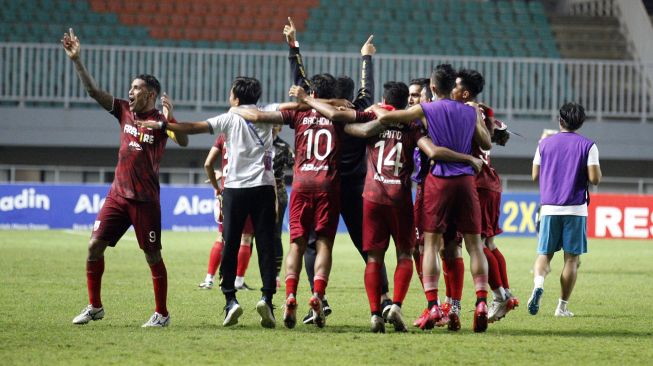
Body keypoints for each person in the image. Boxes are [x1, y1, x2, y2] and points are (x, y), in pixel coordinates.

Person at [293, 81, 481, 333]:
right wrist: (467, 157)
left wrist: (317, 104)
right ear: (407, 103)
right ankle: (397, 305)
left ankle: (374, 314)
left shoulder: (374, 119)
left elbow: (348, 126)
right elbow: (432, 150)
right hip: (399, 198)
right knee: (405, 253)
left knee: (373, 257)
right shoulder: (412, 125)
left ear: (384, 98)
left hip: (371, 196)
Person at [63, 28, 188, 328]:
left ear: (150, 94)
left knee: (152, 255)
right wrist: (77, 60)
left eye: (135, 88)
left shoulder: (160, 122)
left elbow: (182, 141)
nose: (129, 92)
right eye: (130, 88)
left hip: (145, 201)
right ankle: (95, 306)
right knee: (94, 246)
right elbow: (94, 92)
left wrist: (171, 119)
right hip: (118, 195)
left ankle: (162, 313)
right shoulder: (123, 111)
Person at [137, 77, 279, 329]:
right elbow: (293, 108)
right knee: (266, 245)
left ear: (235, 96)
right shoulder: (268, 113)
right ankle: (267, 298)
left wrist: (163, 124)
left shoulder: (228, 118)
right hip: (264, 188)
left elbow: (193, 128)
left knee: (230, 243)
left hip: (235, 189)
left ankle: (230, 301)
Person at [282, 18, 392, 324]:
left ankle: (318, 299)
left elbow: (301, 86)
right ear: (351, 95)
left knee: (309, 243)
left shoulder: (312, 108)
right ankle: (383, 299)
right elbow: (368, 89)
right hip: (355, 187)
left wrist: (293, 46)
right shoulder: (358, 111)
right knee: (368, 246)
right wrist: (366, 58)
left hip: (321, 183)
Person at [378, 64, 493, 332]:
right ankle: (481, 302)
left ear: (432, 87)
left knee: (429, 246)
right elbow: (486, 143)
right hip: (466, 182)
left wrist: (378, 110)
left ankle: (432, 305)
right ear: (453, 85)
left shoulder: (426, 109)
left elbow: (388, 120)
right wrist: (480, 118)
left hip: (439, 181)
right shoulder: (470, 111)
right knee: (474, 246)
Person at [451, 68, 519, 324]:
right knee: (488, 243)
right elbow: (499, 132)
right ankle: (506, 294)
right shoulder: (481, 110)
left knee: (475, 245)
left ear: (465, 92)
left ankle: (499, 294)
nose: (452, 90)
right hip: (490, 180)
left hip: (476, 182)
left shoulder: (464, 111)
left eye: (455, 86)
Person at [528, 102, 601, 317]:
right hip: (575, 210)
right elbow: (595, 179)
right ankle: (561, 307)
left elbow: (534, 176)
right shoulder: (588, 146)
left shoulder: (544, 144)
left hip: (549, 208)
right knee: (571, 260)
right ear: (580, 123)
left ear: (559, 120)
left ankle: (539, 284)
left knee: (544, 255)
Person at [198, 133, 256, 291]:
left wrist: (218, 183)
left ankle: (209, 279)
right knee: (245, 238)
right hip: (247, 189)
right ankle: (238, 280)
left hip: (227, 191)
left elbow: (208, 163)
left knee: (222, 237)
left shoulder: (223, 136)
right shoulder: (251, 134)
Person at [272, 125, 295, 287]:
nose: (272, 126)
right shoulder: (257, 143)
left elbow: (297, 167)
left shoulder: (284, 147)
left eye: (276, 124)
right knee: (250, 235)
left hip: (278, 194)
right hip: (257, 190)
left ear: (279, 128)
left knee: (276, 235)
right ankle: (240, 277)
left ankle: (275, 275)